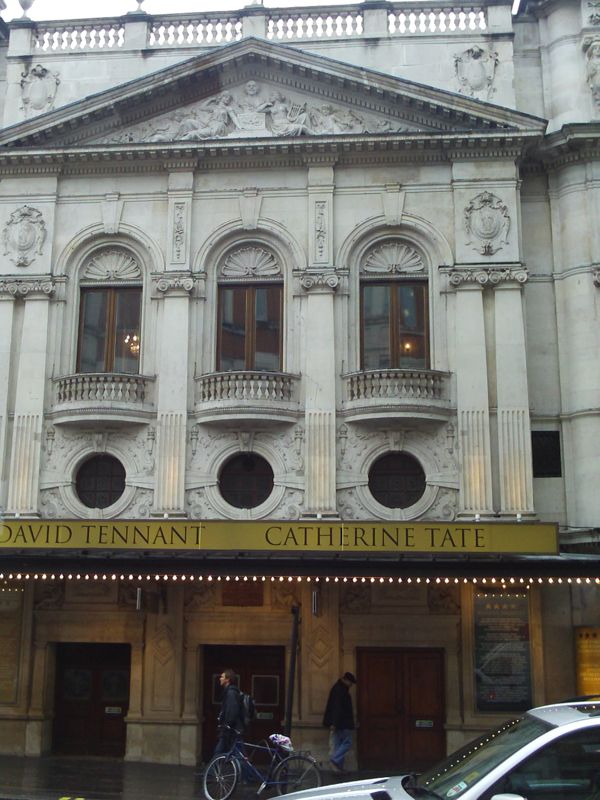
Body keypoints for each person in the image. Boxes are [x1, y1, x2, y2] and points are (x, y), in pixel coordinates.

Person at [323, 671, 356, 772]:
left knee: (338, 744)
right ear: (345, 680)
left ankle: (338, 767)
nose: (351, 685)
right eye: (350, 682)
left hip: (339, 722)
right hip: (343, 722)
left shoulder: (338, 689)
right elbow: (337, 708)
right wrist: (334, 723)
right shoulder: (340, 690)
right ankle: (335, 760)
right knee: (347, 742)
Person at [214, 667, 243, 756]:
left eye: (222, 677)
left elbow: (232, 711)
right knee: (239, 753)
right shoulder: (229, 692)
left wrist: (227, 725)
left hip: (231, 730)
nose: (220, 678)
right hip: (232, 729)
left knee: (218, 752)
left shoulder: (231, 693)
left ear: (227, 679)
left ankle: (213, 769)